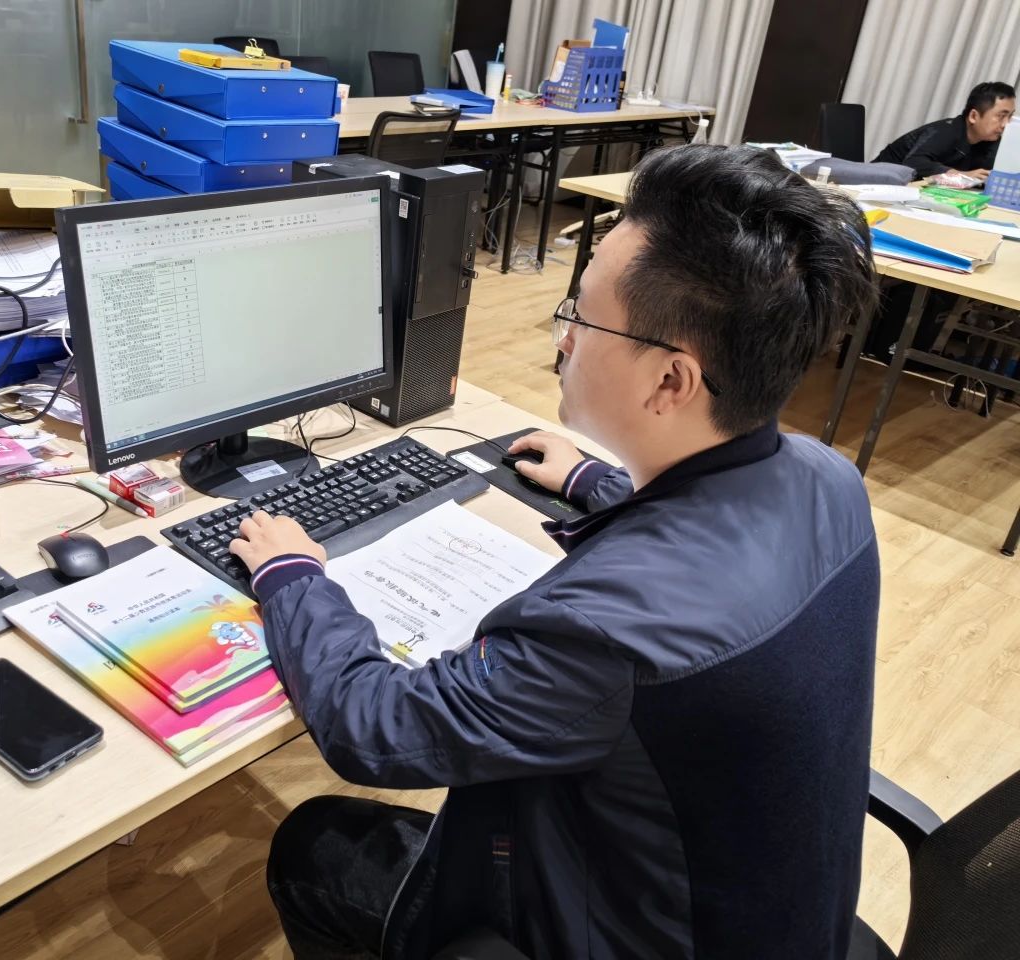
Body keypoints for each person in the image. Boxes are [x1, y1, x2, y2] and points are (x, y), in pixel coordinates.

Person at [228, 144, 882, 959]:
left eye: (583, 315)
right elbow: (719, 536)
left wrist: (292, 576)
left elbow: (372, 726)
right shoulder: (829, 480)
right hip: (765, 917)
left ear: (671, 382)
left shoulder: (606, 633)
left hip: (642, 937)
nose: (563, 337)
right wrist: (599, 482)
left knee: (316, 846)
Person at [873, 81, 1016, 179]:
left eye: (1009, 116)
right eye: (1001, 116)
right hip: (877, 182)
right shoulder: (946, 131)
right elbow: (914, 163)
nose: (1005, 124)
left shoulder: (991, 140)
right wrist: (960, 175)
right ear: (973, 116)